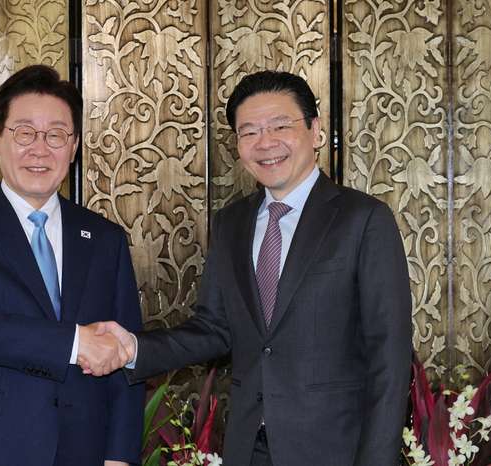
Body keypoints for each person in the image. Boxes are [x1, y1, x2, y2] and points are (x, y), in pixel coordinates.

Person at [85, 70, 412, 466]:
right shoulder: (231, 223)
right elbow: (214, 329)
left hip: (334, 449)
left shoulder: (363, 219)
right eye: (249, 132)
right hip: (247, 447)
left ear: (315, 130)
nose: (265, 142)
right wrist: (133, 348)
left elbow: (389, 357)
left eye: (280, 126)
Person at [0, 64, 143, 466]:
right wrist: (76, 342)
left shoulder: (105, 238)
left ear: (74, 148)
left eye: (56, 135)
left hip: (84, 450)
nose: (40, 149)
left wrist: (120, 455)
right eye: (24, 133)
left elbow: (126, 352)